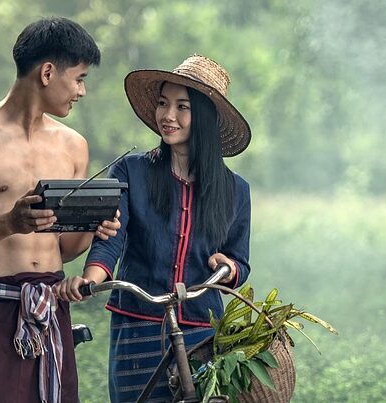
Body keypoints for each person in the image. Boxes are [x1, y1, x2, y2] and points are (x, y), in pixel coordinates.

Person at [0, 16, 119, 403]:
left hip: (51, 302)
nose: (81, 91)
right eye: (79, 78)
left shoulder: (73, 146)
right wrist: (8, 223)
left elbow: (62, 249)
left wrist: (94, 228)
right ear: (48, 72)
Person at [53, 55, 253, 402]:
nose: (168, 116)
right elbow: (109, 237)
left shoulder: (236, 190)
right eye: (162, 103)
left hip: (200, 327)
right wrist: (91, 280)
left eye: (182, 107)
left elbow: (240, 262)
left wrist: (228, 267)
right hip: (136, 320)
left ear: (203, 117)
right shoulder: (131, 171)